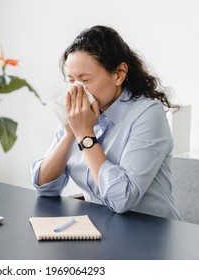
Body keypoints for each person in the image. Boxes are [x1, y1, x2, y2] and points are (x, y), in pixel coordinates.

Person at [31, 25, 182, 220]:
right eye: (71, 80)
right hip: (104, 228)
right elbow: (44, 187)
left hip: (150, 233)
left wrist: (85, 135)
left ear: (119, 74)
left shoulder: (147, 114)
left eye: (85, 80)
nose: (77, 90)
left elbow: (122, 200)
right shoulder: (80, 117)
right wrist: (70, 133)